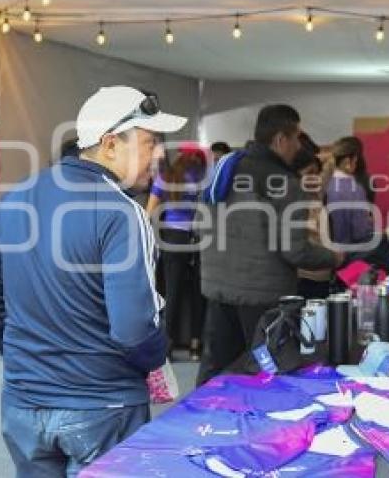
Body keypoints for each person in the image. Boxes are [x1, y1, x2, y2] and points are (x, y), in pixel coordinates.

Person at [0, 86, 185, 477]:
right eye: (150, 142)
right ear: (109, 144)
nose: (159, 155)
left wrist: (30, 357)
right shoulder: (123, 213)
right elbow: (133, 330)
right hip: (101, 407)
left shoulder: (16, 197)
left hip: (24, 403)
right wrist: (157, 357)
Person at [197, 105, 342, 385]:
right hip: (262, 297)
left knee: (215, 370)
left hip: (218, 287)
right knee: (265, 374)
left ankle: (196, 424)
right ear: (280, 139)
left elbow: (200, 221)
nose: (299, 145)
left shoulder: (225, 167)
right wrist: (334, 257)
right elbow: (295, 250)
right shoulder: (285, 183)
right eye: (297, 137)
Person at [147, 142, 207, 361]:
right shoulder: (200, 180)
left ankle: (167, 346)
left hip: (172, 239)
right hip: (196, 239)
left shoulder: (166, 178)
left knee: (172, 293)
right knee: (197, 296)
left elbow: (150, 211)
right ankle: (195, 345)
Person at [292, 144, 334, 299]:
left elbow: (331, 164)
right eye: (310, 173)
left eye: (317, 173)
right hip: (304, 278)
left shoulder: (316, 195)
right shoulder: (292, 203)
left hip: (322, 276)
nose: (316, 178)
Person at [326, 136, 375, 245]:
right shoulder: (355, 189)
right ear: (348, 161)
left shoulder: (324, 185)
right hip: (350, 251)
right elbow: (360, 232)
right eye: (356, 160)